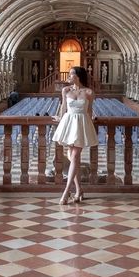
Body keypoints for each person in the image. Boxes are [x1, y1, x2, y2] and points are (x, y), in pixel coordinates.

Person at [52, 66, 98, 205]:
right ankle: (79, 190)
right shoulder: (66, 90)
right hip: (69, 123)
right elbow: (63, 107)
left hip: (81, 124)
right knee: (73, 158)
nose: (69, 76)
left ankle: (66, 192)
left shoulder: (89, 92)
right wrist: (59, 118)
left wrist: (92, 122)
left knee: (75, 156)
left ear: (78, 76)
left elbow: (89, 111)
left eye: (71, 74)